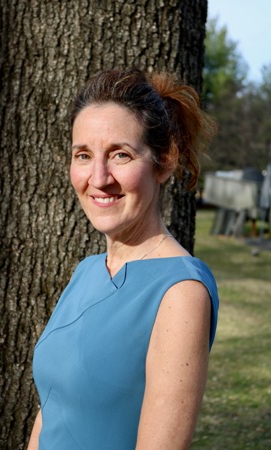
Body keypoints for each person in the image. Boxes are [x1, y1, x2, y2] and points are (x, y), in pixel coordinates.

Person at [27, 68, 219, 450]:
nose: (98, 177)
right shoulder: (87, 272)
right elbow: (52, 408)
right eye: (83, 155)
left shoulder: (180, 292)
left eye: (120, 155)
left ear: (164, 162)